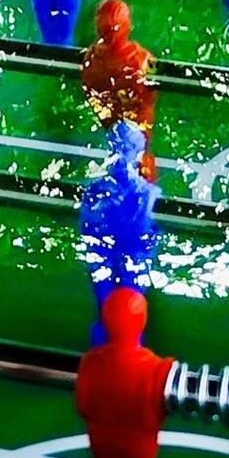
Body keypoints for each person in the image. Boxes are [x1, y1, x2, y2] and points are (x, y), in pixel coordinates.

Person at [76, 285, 171, 458]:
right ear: (142, 322)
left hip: (102, 438)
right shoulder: (158, 369)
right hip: (138, 441)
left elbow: (83, 403)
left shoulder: (91, 363)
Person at [77, 119, 160, 334]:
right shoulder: (148, 194)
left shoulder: (96, 190)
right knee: (124, 312)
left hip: (111, 249)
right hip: (129, 251)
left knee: (111, 310)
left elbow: (86, 226)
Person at [78, 0, 156, 162]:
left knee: (119, 147)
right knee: (141, 154)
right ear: (127, 25)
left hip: (108, 115)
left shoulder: (91, 58)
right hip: (136, 116)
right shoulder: (141, 58)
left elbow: (88, 87)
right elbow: (151, 92)